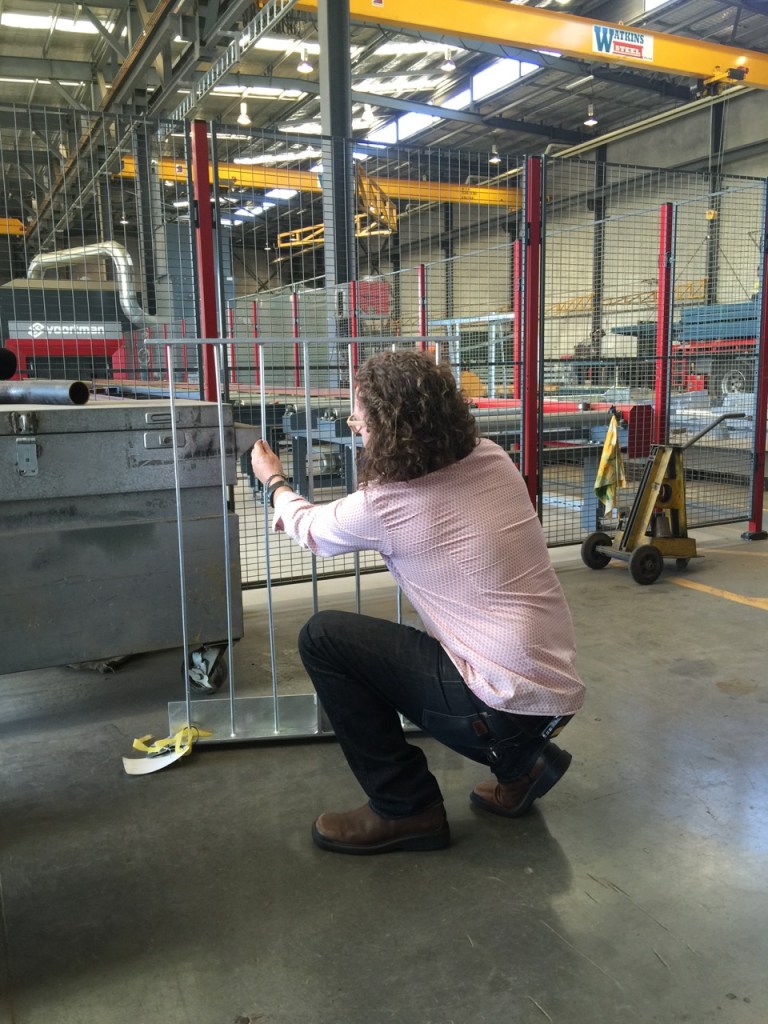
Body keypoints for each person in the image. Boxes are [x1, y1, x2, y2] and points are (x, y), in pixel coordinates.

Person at [250, 348, 585, 856]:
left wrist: (273, 479)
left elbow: (310, 528)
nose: (355, 425)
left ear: (387, 426)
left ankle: (405, 808)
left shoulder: (387, 504)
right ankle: (522, 766)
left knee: (323, 638)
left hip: (500, 702)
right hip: (552, 686)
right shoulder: (492, 457)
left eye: (359, 418)